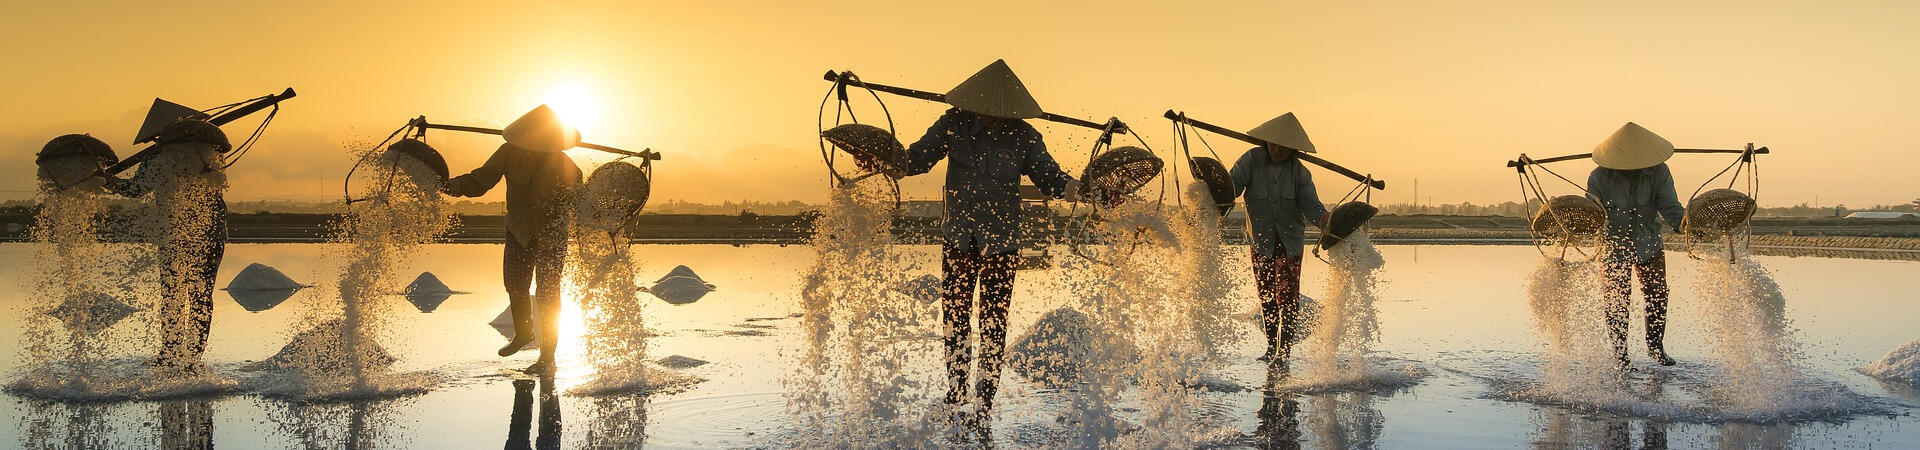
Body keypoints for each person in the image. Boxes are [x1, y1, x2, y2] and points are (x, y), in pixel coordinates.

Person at [902, 59, 1080, 425]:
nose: (993, 119)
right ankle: (955, 393)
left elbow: (1052, 179)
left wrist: (1086, 190)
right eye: (987, 113)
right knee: (955, 320)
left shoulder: (1024, 136)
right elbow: (915, 159)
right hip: (958, 240)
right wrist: (884, 159)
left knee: (994, 324)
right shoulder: (954, 123)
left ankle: (983, 406)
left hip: (1001, 245)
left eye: (1000, 114)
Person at [443, 105, 583, 375]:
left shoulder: (565, 164)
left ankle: (547, 358)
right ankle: (523, 332)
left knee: (548, 294)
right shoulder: (508, 153)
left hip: (551, 234)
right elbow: (480, 180)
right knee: (515, 284)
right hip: (519, 229)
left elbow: (580, 200)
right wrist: (451, 186)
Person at [102, 119, 233, 373]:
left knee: (178, 294)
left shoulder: (164, 158)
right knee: (199, 296)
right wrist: (108, 180)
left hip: (189, 237)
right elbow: (134, 189)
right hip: (195, 237)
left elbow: (132, 190)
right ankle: (186, 355)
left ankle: (177, 353)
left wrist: (108, 181)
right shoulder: (207, 153)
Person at [1228, 113, 1329, 365]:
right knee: (1267, 297)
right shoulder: (1250, 161)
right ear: (1266, 142)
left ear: (1292, 149)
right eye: (1273, 144)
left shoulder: (1299, 173)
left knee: (1288, 299)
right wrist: (1213, 188)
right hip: (1260, 241)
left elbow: (1313, 208)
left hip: (1289, 242)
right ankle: (1271, 347)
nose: (1277, 150)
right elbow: (1232, 187)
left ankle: (1284, 353)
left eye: (1283, 147)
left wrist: (1327, 222)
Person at [1585, 122, 1686, 369]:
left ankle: (1655, 346)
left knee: (1658, 294)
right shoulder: (1599, 176)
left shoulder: (1658, 172)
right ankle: (1621, 355)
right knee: (1616, 300)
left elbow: (1670, 207)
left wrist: (1686, 225)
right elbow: (1591, 213)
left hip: (1648, 241)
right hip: (1612, 245)